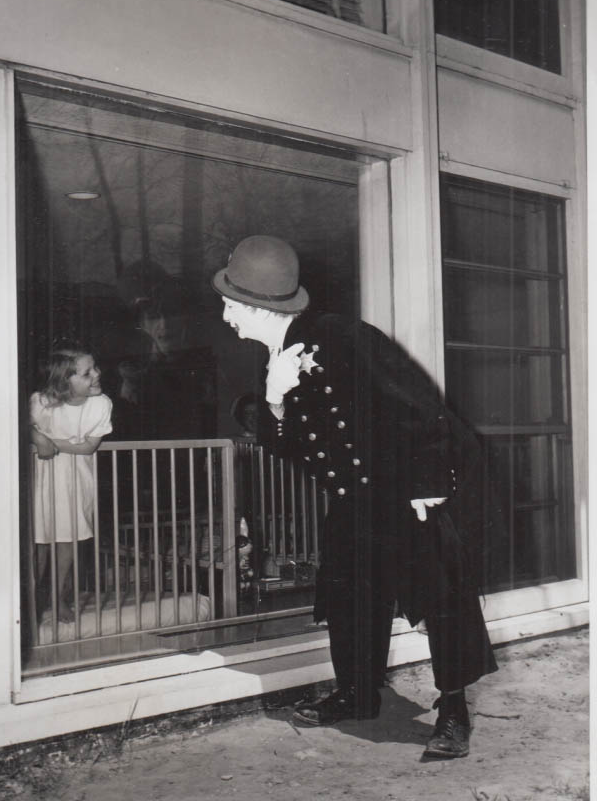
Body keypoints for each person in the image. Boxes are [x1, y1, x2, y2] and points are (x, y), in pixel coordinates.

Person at [213, 235, 498, 759]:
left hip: (406, 486)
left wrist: (427, 485)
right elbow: (289, 449)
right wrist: (274, 399)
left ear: (257, 306)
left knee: (441, 596)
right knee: (348, 594)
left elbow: (421, 407)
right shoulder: (273, 362)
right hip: (352, 495)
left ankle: (453, 710)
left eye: (232, 306)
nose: (227, 317)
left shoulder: (343, 336)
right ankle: (356, 692)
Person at [30, 347, 113, 622]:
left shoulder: (101, 404)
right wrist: (37, 438)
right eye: (87, 373)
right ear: (65, 381)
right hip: (41, 479)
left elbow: (89, 447)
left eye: (95, 368)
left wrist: (48, 441)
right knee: (38, 541)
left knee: (68, 539)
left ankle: (57, 598)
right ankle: (30, 599)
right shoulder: (40, 402)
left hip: (75, 479)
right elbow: (22, 426)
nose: (97, 374)